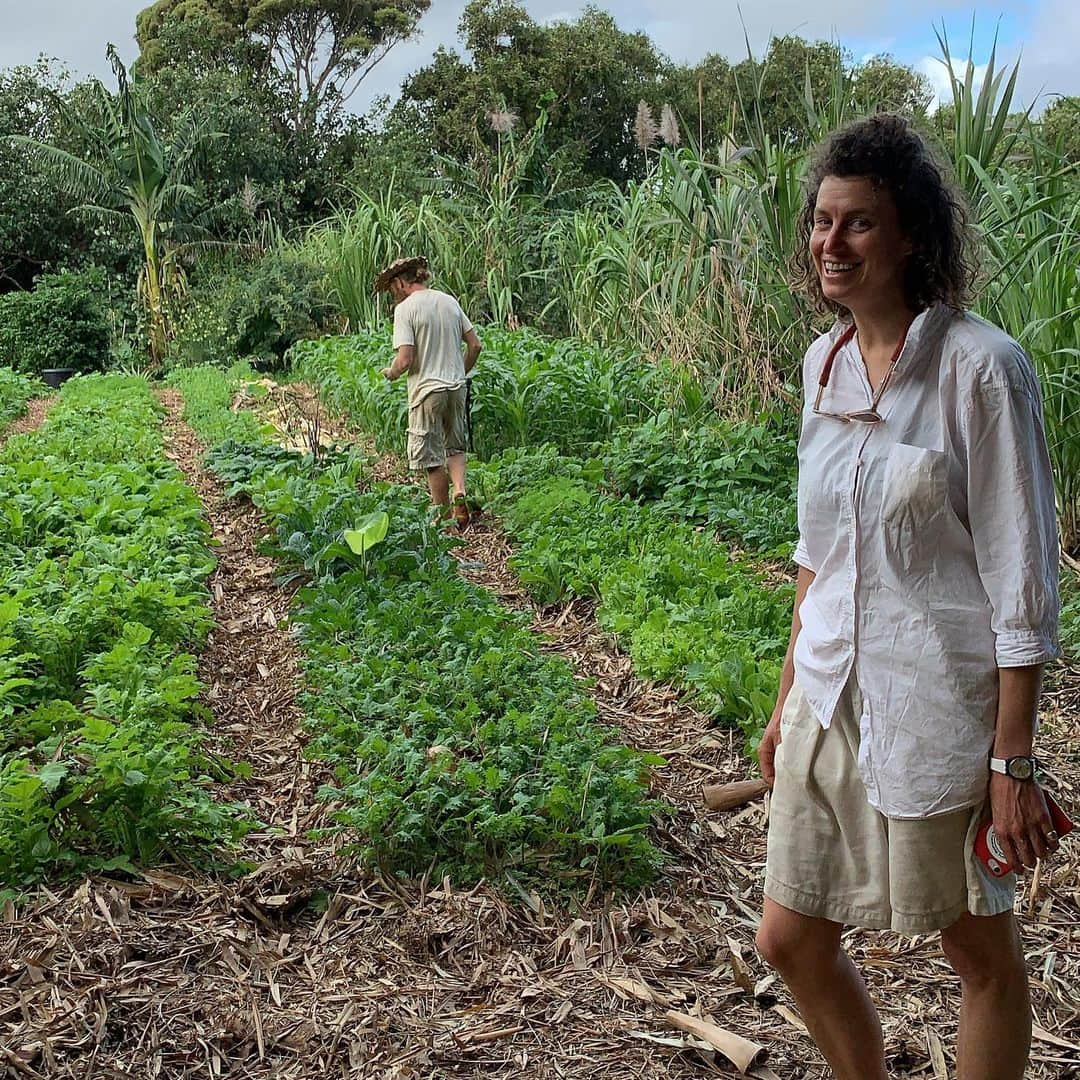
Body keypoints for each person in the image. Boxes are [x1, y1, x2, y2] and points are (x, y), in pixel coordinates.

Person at [755, 114, 1061, 1080]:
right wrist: (783, 700)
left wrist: (1013, 760)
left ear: (912, 238)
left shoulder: (980, 368)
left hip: (938, 703)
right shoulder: (824, 364)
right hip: (830, 691)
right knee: (788, 938)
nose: (830, 244)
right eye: (821, 221)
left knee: (975, 954)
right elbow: (818, 552)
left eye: (859, 224)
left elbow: (1022, 582)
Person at [374, 256, 482, 528]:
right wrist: (460, 370)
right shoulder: (449, 301)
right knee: (455, 447)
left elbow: (406, 359)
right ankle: (459, 490)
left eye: (392, 289)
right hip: (456, 386)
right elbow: (475, 345)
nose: (392, 294)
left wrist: (392, 373)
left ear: (400, 283)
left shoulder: (406, 309)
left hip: (426, 392)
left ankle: (443, 518)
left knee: (432, 458)